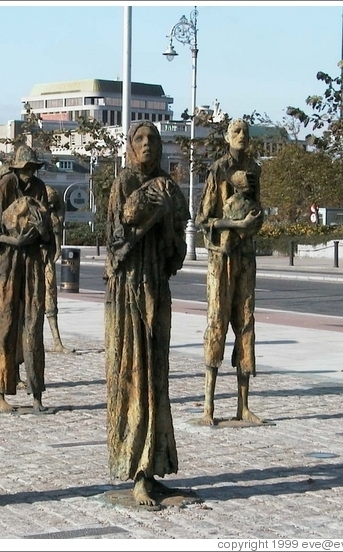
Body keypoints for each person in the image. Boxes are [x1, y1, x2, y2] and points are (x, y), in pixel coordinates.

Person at [104, 121, 189, 507]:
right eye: (140, 139)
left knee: (157, 375)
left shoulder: (170, 187)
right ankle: (136, 471)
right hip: (128, 289)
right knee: (132, 372)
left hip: (156, 284)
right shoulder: (123, 182)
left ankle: (154, 467)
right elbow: (116, 236)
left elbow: (177, 249)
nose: (148, 145)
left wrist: (171, 235)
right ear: (130, 146)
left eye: (153, 139)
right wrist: (144, 216)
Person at [194, 118, 265, 427]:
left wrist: (252, 222)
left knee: (246, 322)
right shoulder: (218, 170)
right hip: (221, 258)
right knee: (217, 322)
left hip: (246, 256)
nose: (241, 137)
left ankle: (243, 405)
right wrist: (235, 226)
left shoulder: (254, 170)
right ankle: (208, 406)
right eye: (236, 132)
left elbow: (257, 209)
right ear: (227, 136)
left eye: (245, 133)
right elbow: (202, 219)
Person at [0, 145, 54, 413]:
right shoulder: (5, 185)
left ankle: (37, 393)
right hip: (9, 260)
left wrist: (42, 231)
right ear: (16, 169)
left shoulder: (39, 188)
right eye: (25, 170)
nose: (29, 174)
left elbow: (48, 234)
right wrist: (13, 240)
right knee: (5, 324)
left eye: (32, 169)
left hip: (33, 262)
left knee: (34, 324)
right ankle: (0, 393)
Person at [44, 184, 73, 354]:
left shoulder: (54, 218)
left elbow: (57, 246)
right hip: (33, 261)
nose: (52, 209)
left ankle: (57, 341)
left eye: (54, 205)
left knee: (50, 298)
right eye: (49, 205)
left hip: (47, 261)